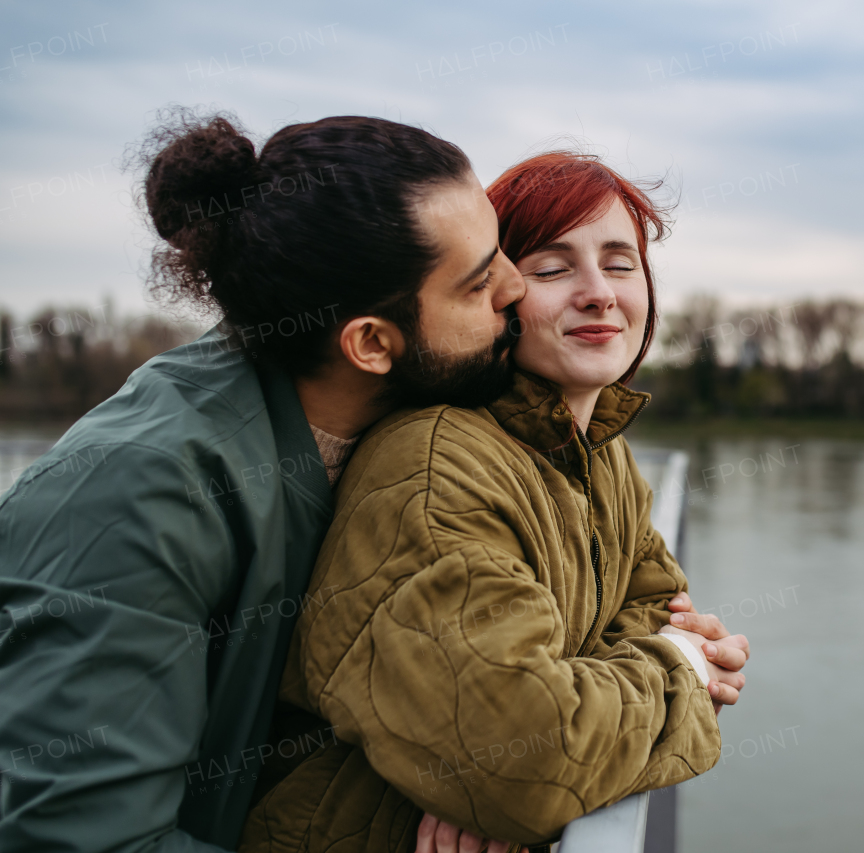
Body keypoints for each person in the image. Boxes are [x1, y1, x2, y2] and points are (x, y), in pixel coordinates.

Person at [0, 110, 527, 852]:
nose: (517, 286)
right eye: (477, 285)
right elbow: (88, 841)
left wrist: (657, 638)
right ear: (372, 342)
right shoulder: (134, 499)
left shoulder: (413, 424)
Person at [237, 152, 750, 853]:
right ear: (498, 293)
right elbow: (525, 760)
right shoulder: (434, 465)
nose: (599, 292)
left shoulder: (602, 455)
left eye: (620, 262)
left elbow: (653, 611)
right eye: (551, 268)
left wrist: (615, 683)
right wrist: (684, 670)